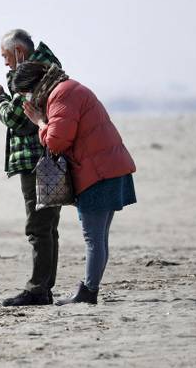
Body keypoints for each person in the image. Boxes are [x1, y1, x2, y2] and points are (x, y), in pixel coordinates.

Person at [14, 61, 137, 305]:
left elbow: (56, 142)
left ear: (35, 85)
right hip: (110, 167)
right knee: (100, 237)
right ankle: (90, 289)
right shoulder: (68, 88)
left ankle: (88, 292)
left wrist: (39, 121)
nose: (27, 99)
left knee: (93, 238)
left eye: (25, 93)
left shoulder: (61, 95)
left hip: (98, 173)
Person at [0, 29, 63, 306]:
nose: (5, 63)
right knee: (47, 227)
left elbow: (16, 118)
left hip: (37, 159)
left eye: (5, 56)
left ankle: (38, 290)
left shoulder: (33, 73)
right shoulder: (47, 68)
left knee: (39, 228)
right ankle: (43, 287)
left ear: (19, 52)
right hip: (50, 155)